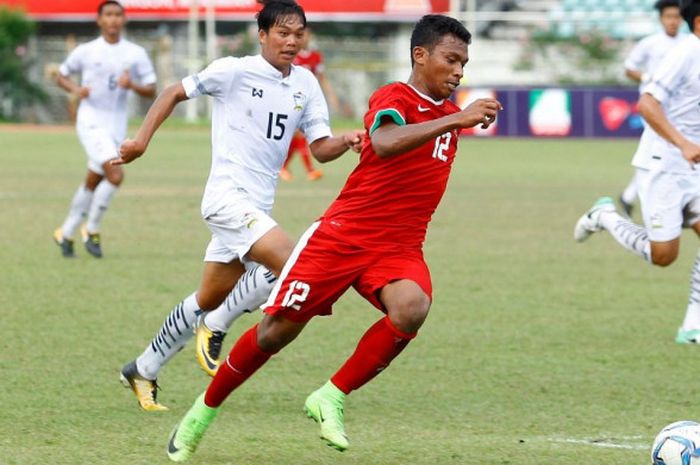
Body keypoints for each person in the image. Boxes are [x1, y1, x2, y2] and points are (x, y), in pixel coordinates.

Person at [166, 14, 502, 462]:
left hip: (399, 246)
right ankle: (200, 414)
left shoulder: (448, 114)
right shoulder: (394, 96)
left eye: (464, 62)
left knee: (411, 307)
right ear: (420, 56)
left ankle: (330, 396)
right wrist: (457, 119)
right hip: (342, 238)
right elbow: (383, 142)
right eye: (451, 59)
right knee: (273, 334)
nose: (459, 71)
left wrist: (455, 118)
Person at [116, 0, 363, 412]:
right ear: (262, 35)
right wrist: (140, 141)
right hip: (226, 199)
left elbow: (320, 148)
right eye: (282, 32)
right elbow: (174, 90)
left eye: (298, 33)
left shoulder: (305, 83)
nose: (291, 41)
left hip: (258, 207)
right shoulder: (233, 70)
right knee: (288, 261)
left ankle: (142, 368)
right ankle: (215, 327)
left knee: (207, 296)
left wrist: (347, 140)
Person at [575, 0, 700, 344]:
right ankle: (605, 216)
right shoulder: (686, 54)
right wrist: (683, 144)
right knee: (664, 256)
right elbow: (647, 104)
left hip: (694, 167)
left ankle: (692, 325)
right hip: (665, 164)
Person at [53, 1, 156, 258]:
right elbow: (61, 75)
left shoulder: (134, 53)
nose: (112, 20)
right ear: (99, 20)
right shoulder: (86, 51)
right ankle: (92, 229)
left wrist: (131, 84)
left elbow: (152, 89)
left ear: (124, 20)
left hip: (116, 127)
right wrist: (77, 90)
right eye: (108, 15)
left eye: (117, 15)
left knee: (93, 180)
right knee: (116, 176)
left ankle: (65, 232)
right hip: (90, 122)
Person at [619, 0, 684, 216]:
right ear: (661, 18)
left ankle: (629, 196)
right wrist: (647, 77)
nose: (673, 21)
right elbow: (629, 68)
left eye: (676, 16)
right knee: (659, 151)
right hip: (653, 105)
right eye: (669, 16)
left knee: (662, 153)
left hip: (680, 108)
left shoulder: (688, 44)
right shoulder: (650, 43)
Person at [279, 28, 340, 181]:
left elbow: (322, 78)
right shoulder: (291, 55)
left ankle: (284, 167)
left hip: (310, 100)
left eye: (304, 35)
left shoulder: (315, 56)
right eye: (300, 35)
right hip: (293, 99)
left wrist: (331, 96)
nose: (303, 38)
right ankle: (308, 170)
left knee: (300, 136)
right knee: (300, 135)